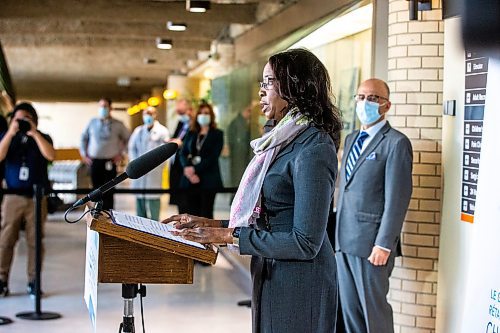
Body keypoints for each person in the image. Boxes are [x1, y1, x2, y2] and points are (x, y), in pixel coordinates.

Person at [163, 48, 343, 333]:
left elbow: (306, 242)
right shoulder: (279, 141)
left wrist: (226, 235)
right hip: (270, 271)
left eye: (269, 82)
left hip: (299, 282)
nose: (261, 91)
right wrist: (212, 224)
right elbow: (266, 215)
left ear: (295, 86)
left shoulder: (314, 147)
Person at [335, 78, 413, 333]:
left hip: (372, 245)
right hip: (344, 239)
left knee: (373, 314)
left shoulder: (396, 143)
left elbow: (397, 198)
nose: (364, 102)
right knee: (350, 313)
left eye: (372, 98)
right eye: (360, 97)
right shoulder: (351, 139)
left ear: (386, 105)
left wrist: (384, 243)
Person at [0, 102, 55, 297]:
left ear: (34, 120)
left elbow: (50, 155)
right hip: (12, 196)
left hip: (35, 198)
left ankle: (34, 281)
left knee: (35, 241)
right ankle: (1, 280)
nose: (22, 123)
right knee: (6, 239)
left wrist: (34, 133)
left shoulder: (42, 137)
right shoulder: (8, 138)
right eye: (18, 119)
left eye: (26, 119)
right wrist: (11, 132)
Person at [80, 98, 130, 210]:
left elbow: (128, 138)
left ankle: (108, 213)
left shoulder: (118, 124)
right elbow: (83, 138)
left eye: (105, 106)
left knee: (109, 190)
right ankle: (96, 212)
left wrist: (121, 154)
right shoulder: (92, 123)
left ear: (110, 108)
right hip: (95, 161)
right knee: (95, 189)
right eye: (101, 106)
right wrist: (85, 154)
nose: (103, 109)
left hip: (110, 161)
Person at [177, 102, 223, 219]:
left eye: (206, 113)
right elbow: (182, 153)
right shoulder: (191, 133)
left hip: (208, 179)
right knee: (188, 212)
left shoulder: (217, 134)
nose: (203, 115)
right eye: (201, 113)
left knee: (205, 214)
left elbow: (213, 157)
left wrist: (194, 169)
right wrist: (187, 168)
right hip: (189, 179)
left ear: (211, 116)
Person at [128, 106, 170, 221]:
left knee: (154, 199)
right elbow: (132, 148)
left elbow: (165, 151)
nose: (148, 116)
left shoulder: (162, 131)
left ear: (155, 115)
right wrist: (135, 163)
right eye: (146, 114)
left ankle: (154, 226)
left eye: (150, 114)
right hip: (139, 169)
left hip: (154, 171)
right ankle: (141, 226)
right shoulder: (138, 131)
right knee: (140, 200)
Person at [168, 98, 193, 210]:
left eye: (182, 112)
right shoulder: (181, 123)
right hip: (176, 163)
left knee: (186, 201)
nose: (181, 115)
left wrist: (181, 143)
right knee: (179, 199)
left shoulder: (194, 127)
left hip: (185, 166)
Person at [226, 106, 252, 187]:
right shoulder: (238, 123)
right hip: (239, 159)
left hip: (241, 158)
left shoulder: (244, 123)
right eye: (249, 111)